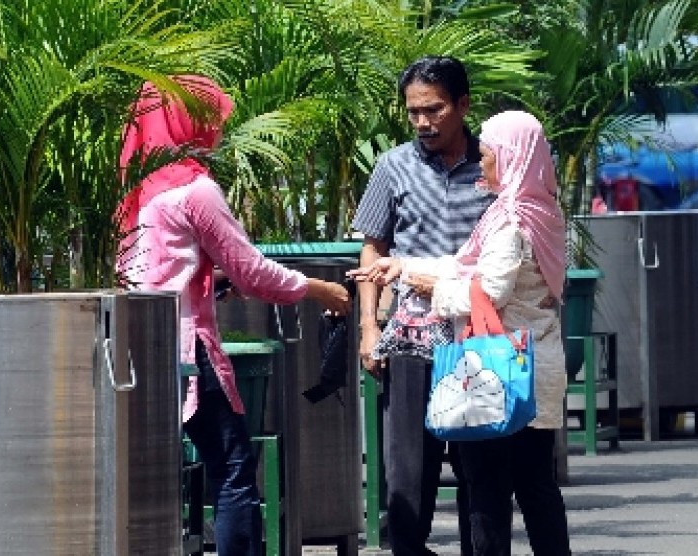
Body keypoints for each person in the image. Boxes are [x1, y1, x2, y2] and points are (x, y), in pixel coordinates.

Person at [115, 75, 351, 555]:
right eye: (210, 118)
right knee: (233, 470)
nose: (219, 130)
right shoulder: (194, 191)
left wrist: (209, 280)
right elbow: (253, 272)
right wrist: (319, 288)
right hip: (187, 351)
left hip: (136, 347)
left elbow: (158, 272)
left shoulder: (137, 191)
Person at [350, 110, 572, 555]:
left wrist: (421, 283)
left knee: (487, 487)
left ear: (512, 159)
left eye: (489, 157)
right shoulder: (539, 208)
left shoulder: (509, 222)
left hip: (497, 370)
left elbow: (484, 294)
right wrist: (406, 265)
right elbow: (468, 266)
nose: (482, 165)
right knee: (535, 485)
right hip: (534, 365)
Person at [351, 55, 494, 556]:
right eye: (413, 112)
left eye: (433, 110)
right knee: (407, 465)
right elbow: (373, 248)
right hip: (411, 336)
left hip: (480, 335)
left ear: (462, 105)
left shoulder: (494, 164)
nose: (422, 123)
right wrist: (369, 327)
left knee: (481, 462)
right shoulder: (393, 166)